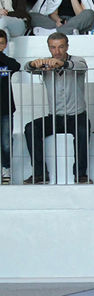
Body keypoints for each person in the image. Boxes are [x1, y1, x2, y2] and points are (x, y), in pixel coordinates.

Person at [23, 32, 89, 184]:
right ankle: (40, 174)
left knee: (83, 130)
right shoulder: (46, 63)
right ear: (49, 48)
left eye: (61, 47)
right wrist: (34, 64)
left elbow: (81, 67)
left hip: (77, 115)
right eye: (53, 47)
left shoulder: (77, 60)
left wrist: (62, 64)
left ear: (67, 47)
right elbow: (27, 68)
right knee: (30, 128)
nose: (57, 51)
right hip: (55, 117)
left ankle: (80, 175)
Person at [0, 29, 19, 185]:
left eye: (0, 43)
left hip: (6, 109)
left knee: (6, 142)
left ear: (5, 45)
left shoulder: (7, 62)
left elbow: (16, 65)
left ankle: (6, 169)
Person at [29, 0, 94, 35]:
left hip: (75, 23)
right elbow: (52, 13)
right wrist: (59, 20)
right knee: (32, 16)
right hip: (57, 23)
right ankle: (65, 31)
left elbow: (80, 14)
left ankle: (56, 32)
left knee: (90, 13)